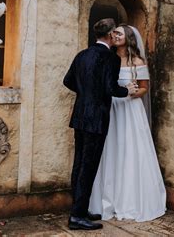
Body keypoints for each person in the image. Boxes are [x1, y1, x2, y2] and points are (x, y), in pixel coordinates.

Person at [63, 18, 137, 231]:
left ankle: (79, 208)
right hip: (97, 118)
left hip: (79, 116)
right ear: (110, 34)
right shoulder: (110, 59)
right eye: (115, 33)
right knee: (89, 166)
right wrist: (127, 90)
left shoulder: (82, 55)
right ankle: (77, 216)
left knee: (79, 163)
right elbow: (110, 89)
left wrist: (85, 93)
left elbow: (68, 81)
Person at [89, 24, 166, 222]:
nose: (114, 35)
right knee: (110, 150)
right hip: (111, 108)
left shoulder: (137, 61)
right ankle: (107, 200)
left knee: (130, 150)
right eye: (113, 32)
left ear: (128, 38)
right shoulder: (109, 59)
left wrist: (131, 93)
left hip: (130, 109)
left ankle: (130, 200)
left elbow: (144, 88)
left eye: (119, 33)